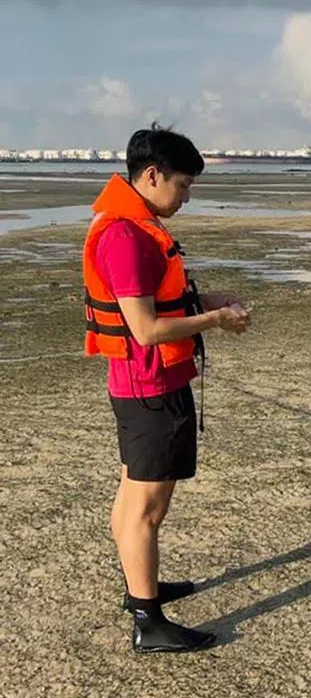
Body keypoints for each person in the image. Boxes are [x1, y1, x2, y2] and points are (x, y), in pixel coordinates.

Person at [83, 124, 251, 653]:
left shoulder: (138, 227)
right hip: (148, 388)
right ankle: (148, 622)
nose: (185, 196)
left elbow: (165, 304)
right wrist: (218, 321)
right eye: (182, 185)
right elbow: (147, 330)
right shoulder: (125, 237)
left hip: (147, 385)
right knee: (146, 508)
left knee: (135, 494)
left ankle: (141, 588)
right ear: (151, 175)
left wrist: (212, 300)